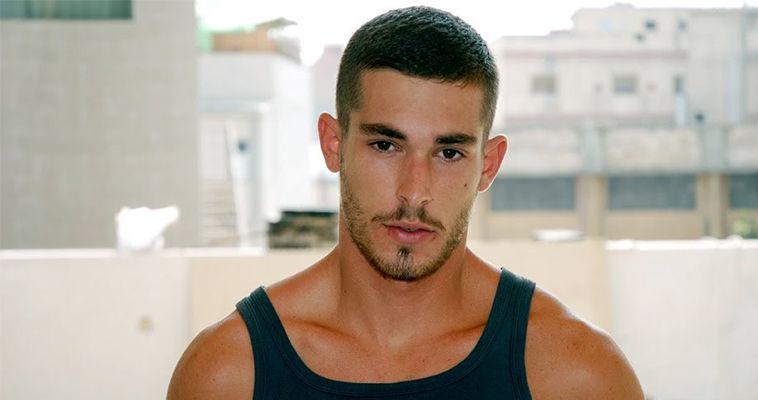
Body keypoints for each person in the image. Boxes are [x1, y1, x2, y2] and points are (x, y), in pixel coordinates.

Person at [168, 6, 644, 399]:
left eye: (449, 153)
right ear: (333, 144)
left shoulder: (576, 376)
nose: (414, 192)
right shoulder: (228, 375)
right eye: (385, 146)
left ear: (488, 165)